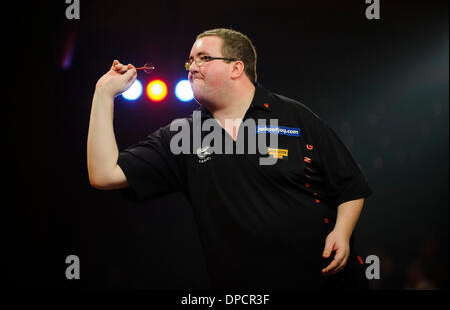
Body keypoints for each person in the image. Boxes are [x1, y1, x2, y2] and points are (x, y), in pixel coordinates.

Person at [87, 28, 372, 289]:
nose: (192, 67)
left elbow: (350, 185)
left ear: (237, 67)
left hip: (328, 281)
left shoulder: (294, 115)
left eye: (203, 58)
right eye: (190, 61)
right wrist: (103, 94)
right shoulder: (183, 135)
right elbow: (103, 174)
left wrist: (342, 231)